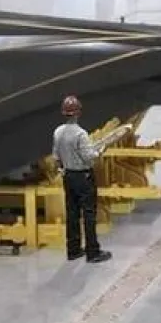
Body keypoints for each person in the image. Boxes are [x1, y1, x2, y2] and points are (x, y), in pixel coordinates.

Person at [52, 95, 113, 264]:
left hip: (68, 176)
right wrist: (99, 151)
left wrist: (63, 168)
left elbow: (56, 156)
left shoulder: (58, 132)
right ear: (78, 112)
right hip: (83, 177)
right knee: (89, 213)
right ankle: (93, 252)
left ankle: (73, 250)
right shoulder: (81, 134)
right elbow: (89, 157)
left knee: (72, 213)